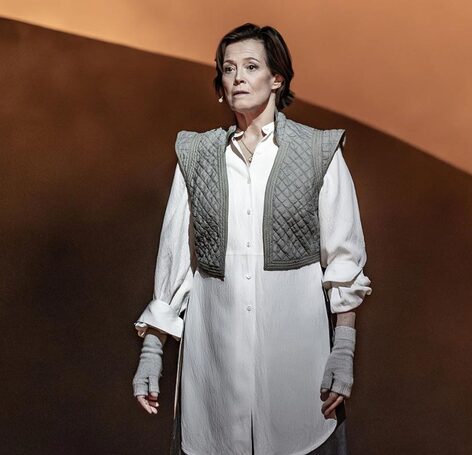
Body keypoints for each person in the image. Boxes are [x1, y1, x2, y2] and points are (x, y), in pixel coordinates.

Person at [132, 23, 372, 455]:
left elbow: (344, 258)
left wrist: (345, 349)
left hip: (296, 367)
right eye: (228, 68)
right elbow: (176, 258)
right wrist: (153, 349)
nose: (238, 76)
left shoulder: (318, 153)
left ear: (276, 78)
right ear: (221, 85)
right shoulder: (198, 156)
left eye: (250, 66)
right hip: (215, 366)